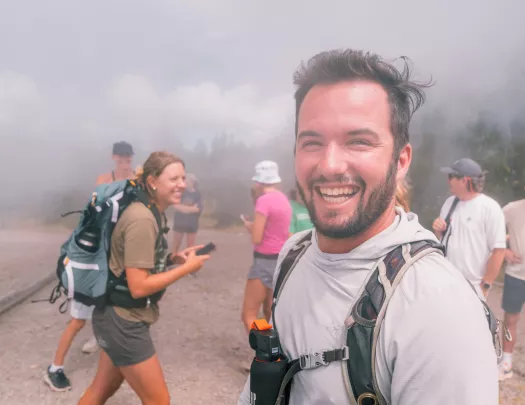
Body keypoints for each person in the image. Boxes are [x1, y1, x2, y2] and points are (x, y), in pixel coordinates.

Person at [238, 49, 498, 405]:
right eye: (312, 142)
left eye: (358, 141)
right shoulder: (295, 252)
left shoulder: (437, 309)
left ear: (401, 160)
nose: (329, 165)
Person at [77, 151, 210, 405]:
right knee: (159, 401)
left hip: (115, 315)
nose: (182, 184)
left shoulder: (152, 211)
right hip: (124, 321)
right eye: (174, 179)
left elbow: (136, 261)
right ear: (152, 181)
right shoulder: (142, 219)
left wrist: (174, 259)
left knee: (102, 389)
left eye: (183, 177)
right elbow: (138, 287)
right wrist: (186, 268)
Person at [44, 141, 138, 392]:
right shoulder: (104, 179)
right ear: (113, 157)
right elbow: (98, 210)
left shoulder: (137, 179)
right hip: (96, 258)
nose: (125, 161)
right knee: (78, 319)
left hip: (119, 254)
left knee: (114, 307)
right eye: (121, 157)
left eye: (128, 157)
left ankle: (104, 344)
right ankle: (55, 367)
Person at [432, 158, 506, 300]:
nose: (448, 181)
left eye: (451, 176)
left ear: (464, 180)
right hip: (444, 282)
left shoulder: (490, 208)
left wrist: (485, 286)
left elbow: (499, 251)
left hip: (473, 287)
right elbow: (441, 240)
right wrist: (438, 230)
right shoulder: (449, 203)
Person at [240, 161, 291, 332]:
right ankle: (276, 351)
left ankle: (267, 356)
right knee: (270, 312)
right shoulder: (284, 200)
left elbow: (257, 237)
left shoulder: (263, 201)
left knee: (249, 315)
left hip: (263, 261)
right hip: (281, 260)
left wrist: (249, 226)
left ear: (258, 182)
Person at [498, 196, 525, 380]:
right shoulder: (512, 208)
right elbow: (491, 228)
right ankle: (506, 363)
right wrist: (504, 251)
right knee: (510, 319)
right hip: (516, 274)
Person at [171, 173, 203, 256]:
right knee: (176, 243)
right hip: (180, 221)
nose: (188, 182)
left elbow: (198, 209)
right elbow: (176, 206)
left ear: (194, 182)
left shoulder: (197, 194)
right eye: (187, 180)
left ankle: (189, 262)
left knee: (190, 245)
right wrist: (190, 209)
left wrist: (184, 209)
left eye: (190, 180)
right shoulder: (181, 192)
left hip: (192, 222)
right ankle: (171, 260)